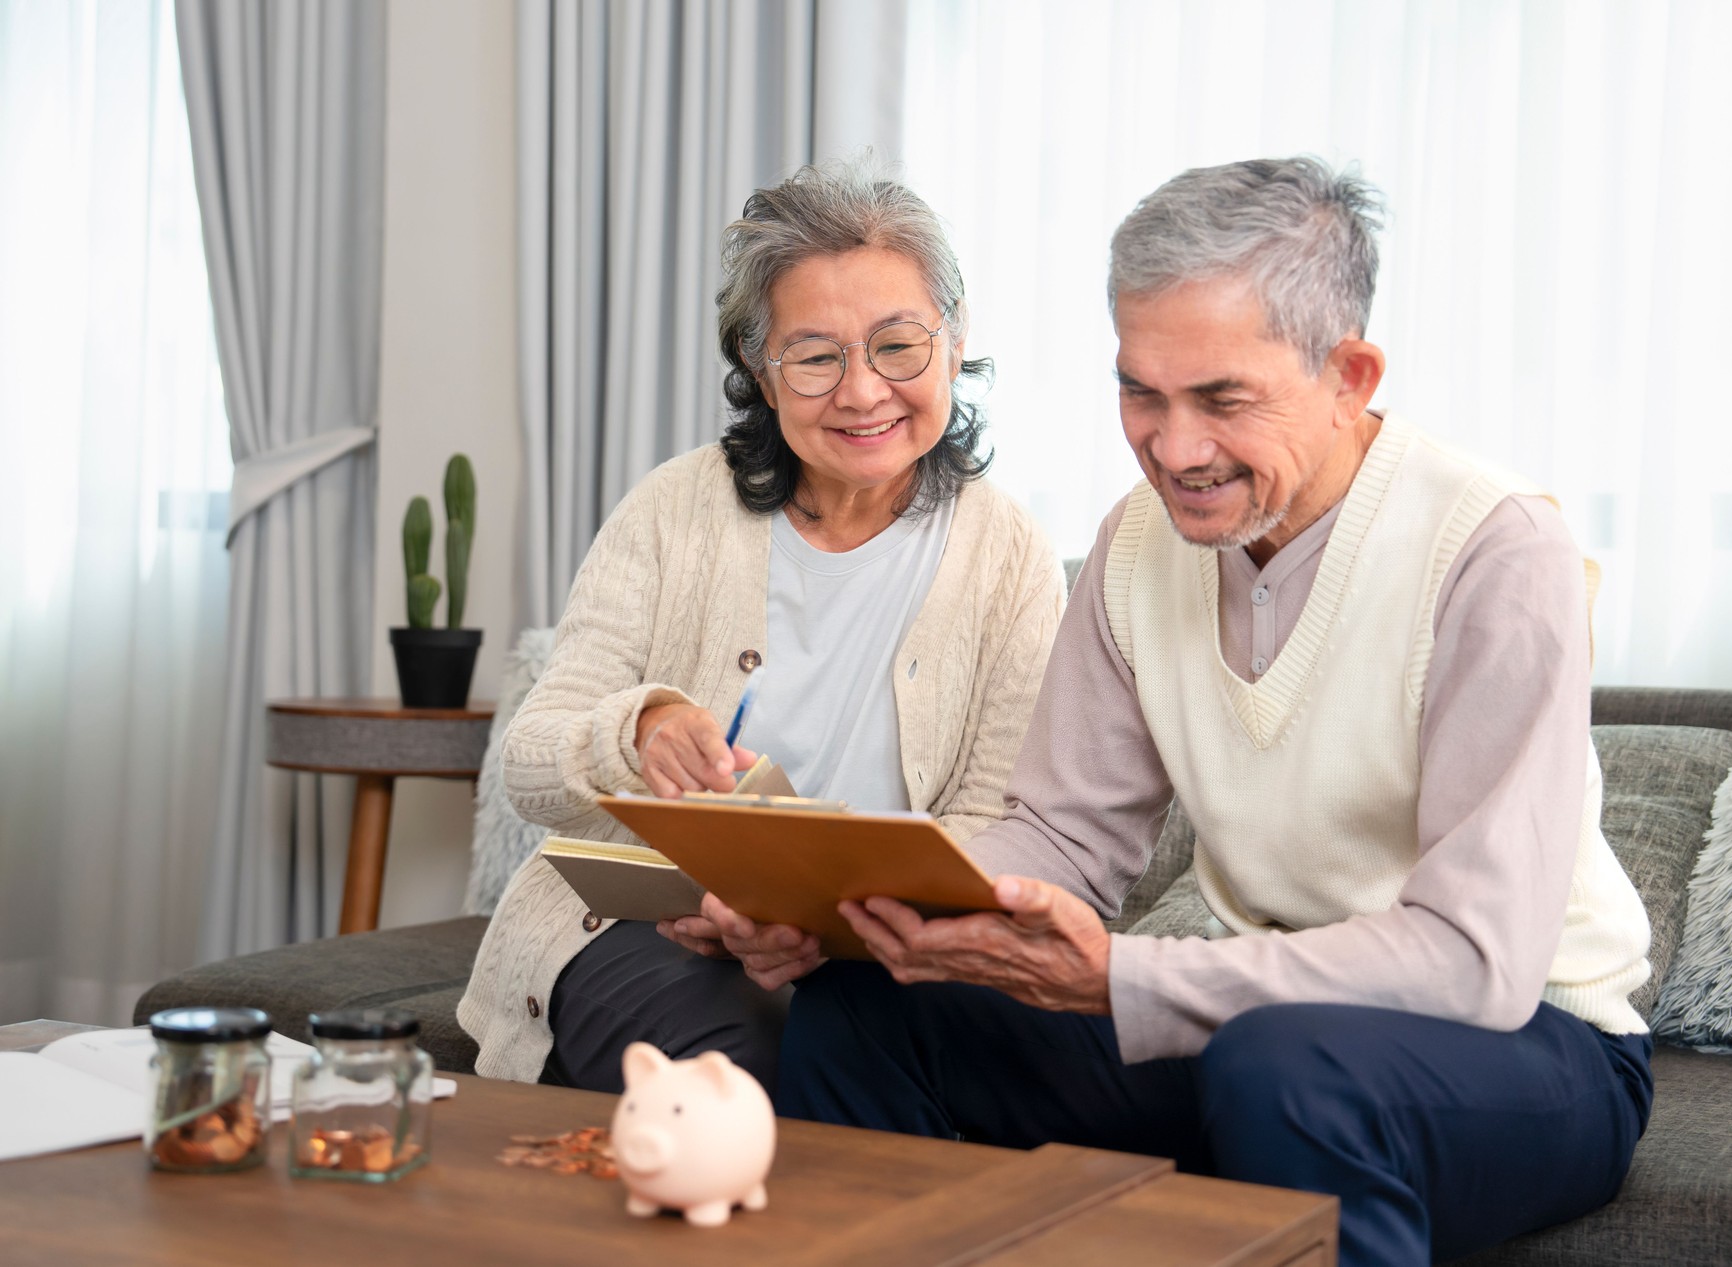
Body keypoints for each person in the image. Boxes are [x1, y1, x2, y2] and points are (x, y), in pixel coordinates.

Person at [767, 158, 1656, 1267]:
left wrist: (1126, 978)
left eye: (1223, 399)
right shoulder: (1136, 546)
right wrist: (856, 905)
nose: (1174, 449)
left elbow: (1473, 961)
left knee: (1281, 1064)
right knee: (870, 1004)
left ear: (1350, 374)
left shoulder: (1493, 549)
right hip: (1258, 1024)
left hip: (1533, 1045)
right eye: (1142, 392)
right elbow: (1060, 839)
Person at [456, 160, 1065, 1095]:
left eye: (898, 345)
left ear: (954, 340)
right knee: (738, 1076)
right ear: (758, 368)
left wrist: (833, 928)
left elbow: (991, 823)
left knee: (873, 1057)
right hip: (634, 931)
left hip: (874, 956)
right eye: (817, 357)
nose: (863, 393)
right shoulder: (675, 510)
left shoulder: (1011, 556)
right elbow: (530, 761)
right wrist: (641, 730)